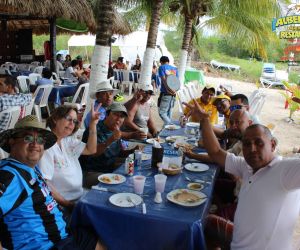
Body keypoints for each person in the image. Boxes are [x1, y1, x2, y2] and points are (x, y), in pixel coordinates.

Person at [184, 99, 300, 249]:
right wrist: (205, 120)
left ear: (272, 145)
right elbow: (215, 152)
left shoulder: (285, 171)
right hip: (236, 244)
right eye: (246, 144)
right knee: (207, 225)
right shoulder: (247, 166)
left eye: (259, 143)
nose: (251, 149)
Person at [0, 115, 103, 250]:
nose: (35, 144)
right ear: (12, 142)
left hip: (63, 235)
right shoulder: (9, 175)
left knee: (110, 234)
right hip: (47, 245)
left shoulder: (30, 168)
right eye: (28, 138)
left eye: (40, 140)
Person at [39, 104, 100, 208]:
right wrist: (68, 205)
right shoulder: (46, 145)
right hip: (64, 203)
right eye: (68, 119)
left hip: (80, 195)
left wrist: (93, 124)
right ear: (55, 119)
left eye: (75, 121)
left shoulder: (66, 140)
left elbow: (91, 149)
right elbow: (45, 183)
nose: (72, 124)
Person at [80, 103, 141, 188]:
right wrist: (111, 140)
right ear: (107, 115)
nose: (118, 119)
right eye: (116, 114)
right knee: (120, 183)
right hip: (90, 172)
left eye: (122, 116)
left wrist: (133, 151)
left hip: (109, 167)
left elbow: (118, 152)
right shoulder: (94, 129)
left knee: (135, 172)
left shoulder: (115, 130)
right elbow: (93, 153)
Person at [158, 56, 179, 125]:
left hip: (166, 93)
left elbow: (164, 80)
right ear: (168, 61)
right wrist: (174, 91)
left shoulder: (162, 67)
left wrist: (168, 90)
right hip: (173, 94)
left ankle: (171, 125)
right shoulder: (175, 69)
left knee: (162, 112)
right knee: (168, 113)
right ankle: (167, 131)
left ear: (161, 62)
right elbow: (177, 82)